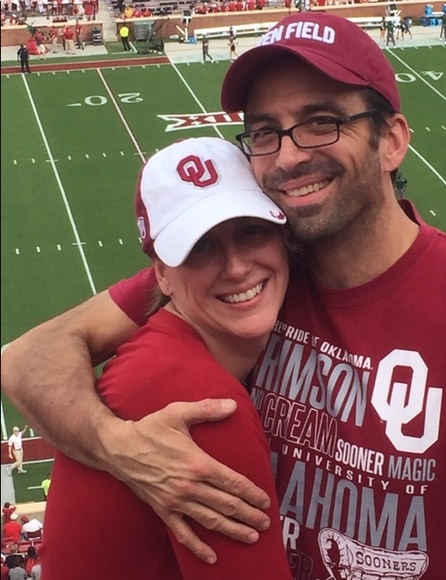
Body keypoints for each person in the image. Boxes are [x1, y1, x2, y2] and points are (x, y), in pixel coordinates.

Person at [2, 12, 446, 580]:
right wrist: (118, 446)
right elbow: (29, 357)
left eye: (321, 122)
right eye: (264, 132)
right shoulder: (252, 272)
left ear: (392, 140)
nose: (287, 156)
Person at [39, 137, 291, 579]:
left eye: (251, 231)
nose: (236, 267)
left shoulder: (159, 353)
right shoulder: (203, 405)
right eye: (200, 248)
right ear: (161, 276)